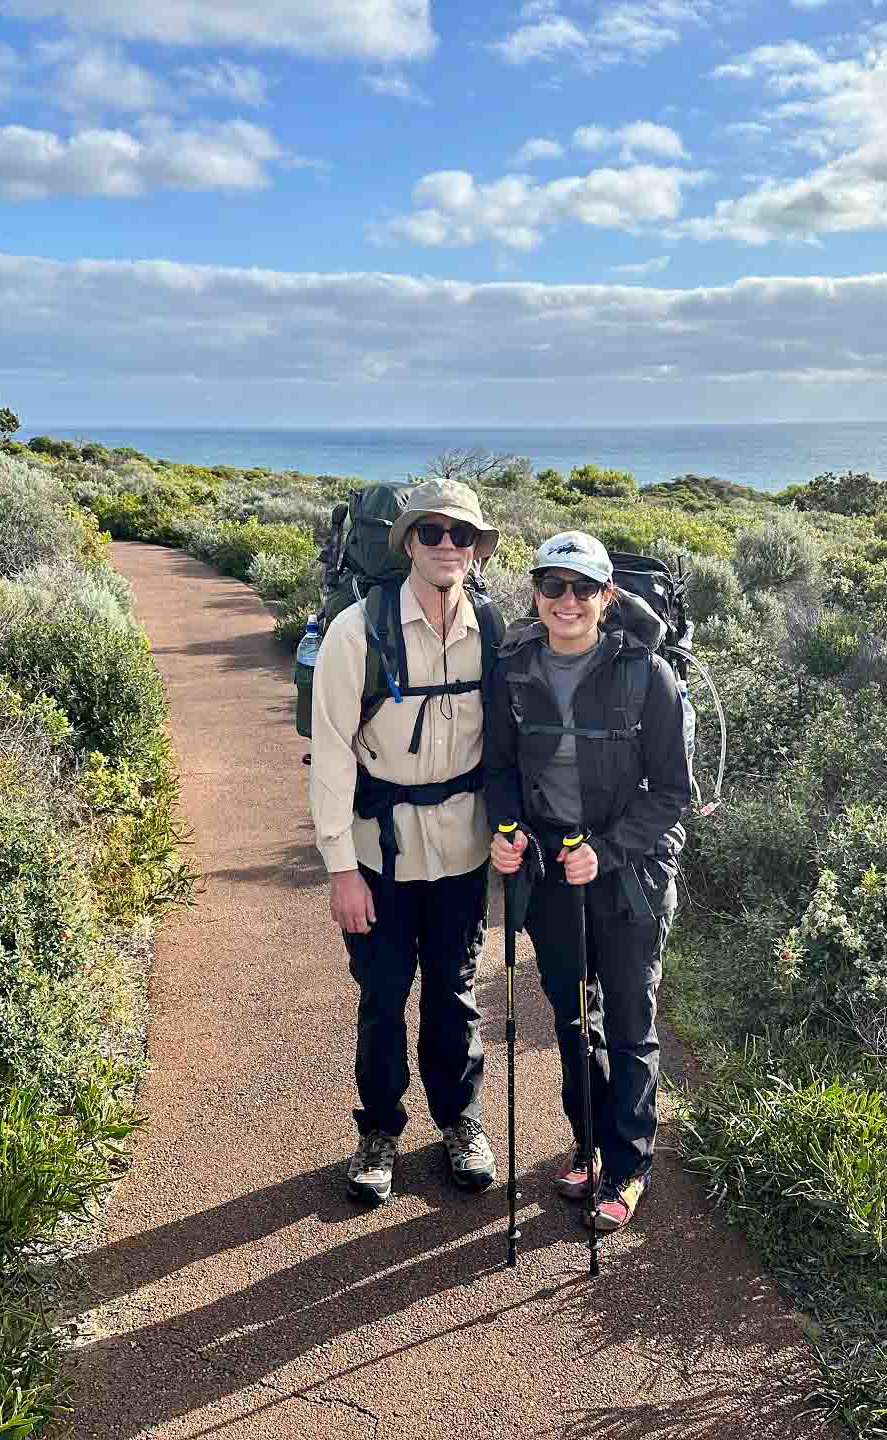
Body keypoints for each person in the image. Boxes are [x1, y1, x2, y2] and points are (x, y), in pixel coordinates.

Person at [485, 531, 692, 1232]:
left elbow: (671, 794)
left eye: (583, 588)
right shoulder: (514, 670)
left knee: (630, 1022)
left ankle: (630, 1164)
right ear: (536, 594)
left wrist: (607, 851)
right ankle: (591, 1142)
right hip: (551, 875)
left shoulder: (646, 676)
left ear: (607, 597)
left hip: (628, 876)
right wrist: (508, 828)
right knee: (576, 1020)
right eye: (553, 586)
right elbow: (501, 770)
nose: (567, 601)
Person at [309, 478, 502, 1205]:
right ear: (407, 542)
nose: (448, 546)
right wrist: (339, 870)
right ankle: (379, 1132)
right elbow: (330, 755)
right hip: (376, 855)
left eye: (462, 535)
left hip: (463, 851)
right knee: (383, 996)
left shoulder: (492, 626)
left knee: (453, 997)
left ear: (478, 547)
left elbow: (507, 746)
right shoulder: (356, 633)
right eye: (432, 533)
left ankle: (461, 1122)